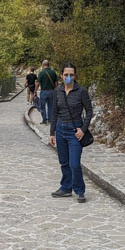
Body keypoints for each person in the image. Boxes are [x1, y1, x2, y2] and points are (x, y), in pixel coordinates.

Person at [49, 62, 93, 203]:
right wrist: (52, 133)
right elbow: (54, 112)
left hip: (75, 131)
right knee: (64, 162)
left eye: (71, 75)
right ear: (61, 76)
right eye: (66, 74)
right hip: (61, 129)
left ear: (75, 76)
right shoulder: (58, 91)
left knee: (74, 163)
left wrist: (83, 129)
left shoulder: (81, 91)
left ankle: (79, 190)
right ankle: (66, 188)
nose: (68, 77)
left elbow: (89, 111)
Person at [36, 59, 58, 125]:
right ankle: (50, 119)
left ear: (43, 65)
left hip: (44, 92)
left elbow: (37, 83)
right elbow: (56, 83)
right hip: (52, 91)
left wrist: (35, 91)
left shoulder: (41, 73)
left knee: (42, 106)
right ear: (49, 65)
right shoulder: (53, 72)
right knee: (50, 106)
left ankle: (44, 120)